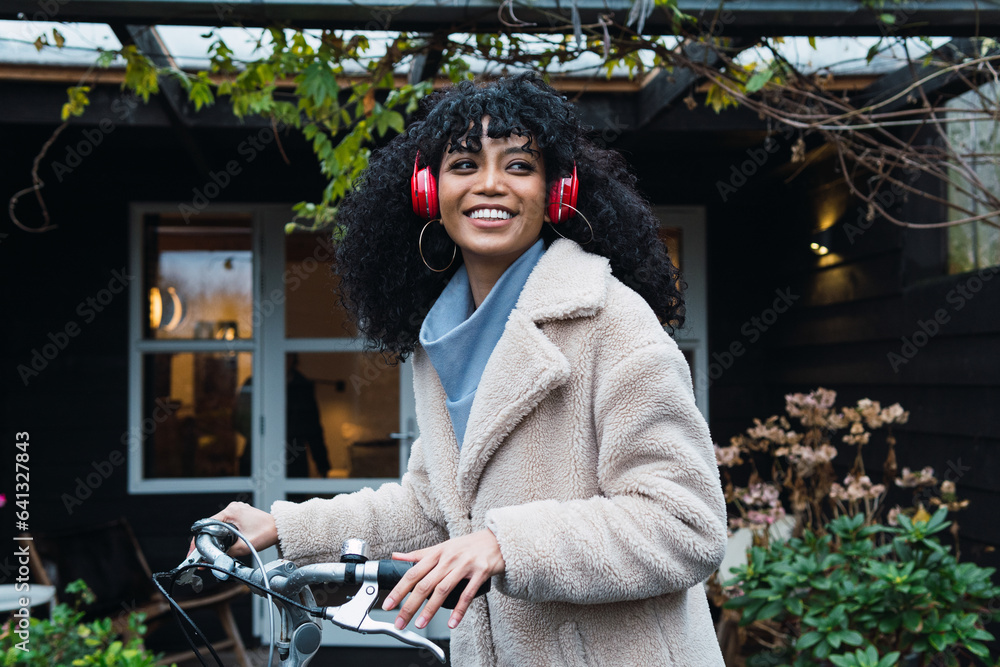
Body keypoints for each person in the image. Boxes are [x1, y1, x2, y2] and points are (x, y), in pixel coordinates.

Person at [199, 73, 728, 665]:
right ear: (430, 191)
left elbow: (686, 524)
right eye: (465, 164)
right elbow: (429, 510)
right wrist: (281, 527)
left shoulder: (613, 321)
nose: (491, 184)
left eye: (520, 165)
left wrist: (506, 545)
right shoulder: (442, 337)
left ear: (557, 190)